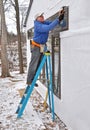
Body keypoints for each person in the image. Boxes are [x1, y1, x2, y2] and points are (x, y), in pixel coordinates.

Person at [27, 10, 65, 86]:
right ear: (37, 19)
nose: (42, 17)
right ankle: (29, 80)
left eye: (42, 16)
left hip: (41, 46)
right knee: (34, 64)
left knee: (39, 64)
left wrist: (60, 18)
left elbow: (52, 24)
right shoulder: (38, 25)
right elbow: (48, 28)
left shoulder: (44, 22)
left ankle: (33, 80)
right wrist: (58, 19)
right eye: (40, 16)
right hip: (36, 46)